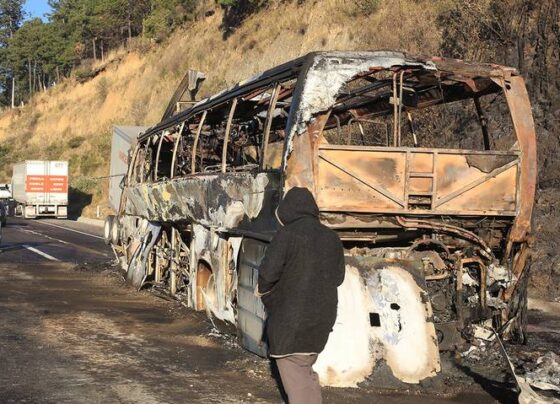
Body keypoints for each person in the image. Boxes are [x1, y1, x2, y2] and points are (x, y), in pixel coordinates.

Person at [257, 187, 345, 404]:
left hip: (291, 323)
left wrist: (268, 297)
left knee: (297, 377)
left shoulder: (286, 235)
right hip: (321, 320)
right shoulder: (332, 237)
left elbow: (267, 274)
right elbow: (338, 277)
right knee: (305, 374)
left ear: (286, 211)